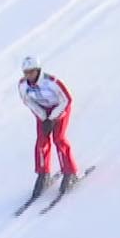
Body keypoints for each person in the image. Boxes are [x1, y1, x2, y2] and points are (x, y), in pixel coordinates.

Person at [19, 55, 80, 199]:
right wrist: (43, 117)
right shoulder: (23, 85)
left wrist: (53, 118)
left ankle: (69, 171)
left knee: (59, 138)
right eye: (26, 72)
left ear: (38, 70)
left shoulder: (51, 82)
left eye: (32, 72)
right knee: (41, 141)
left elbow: (67, 100)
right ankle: (43, 173)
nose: (29, 75)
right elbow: (27, 102)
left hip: (59, 108)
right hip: (43, 112)